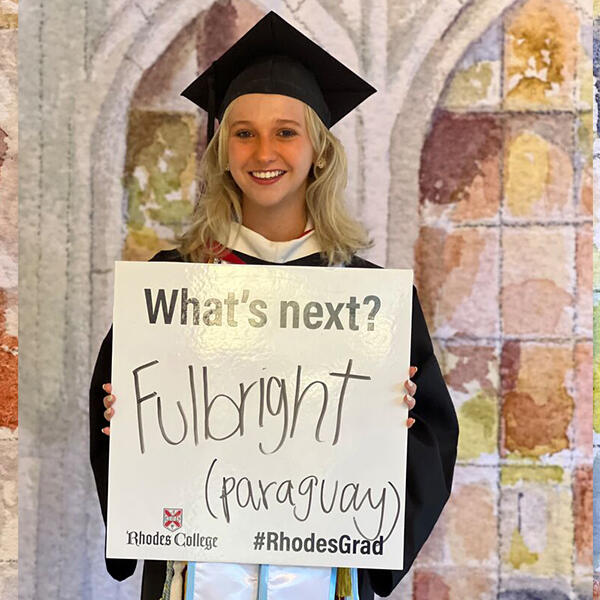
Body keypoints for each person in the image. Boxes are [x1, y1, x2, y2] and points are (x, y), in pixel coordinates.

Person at [89, 11, 458, 600]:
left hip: (323, 575)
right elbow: (133, 438)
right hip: (195, 575)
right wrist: (124, 422)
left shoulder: (369, 302)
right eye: (243, 132)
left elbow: (432, 442)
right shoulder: (174, 286)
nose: (264, 150)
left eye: (286, 131)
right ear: (222, 150)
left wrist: (397, 423)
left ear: (319, 148)